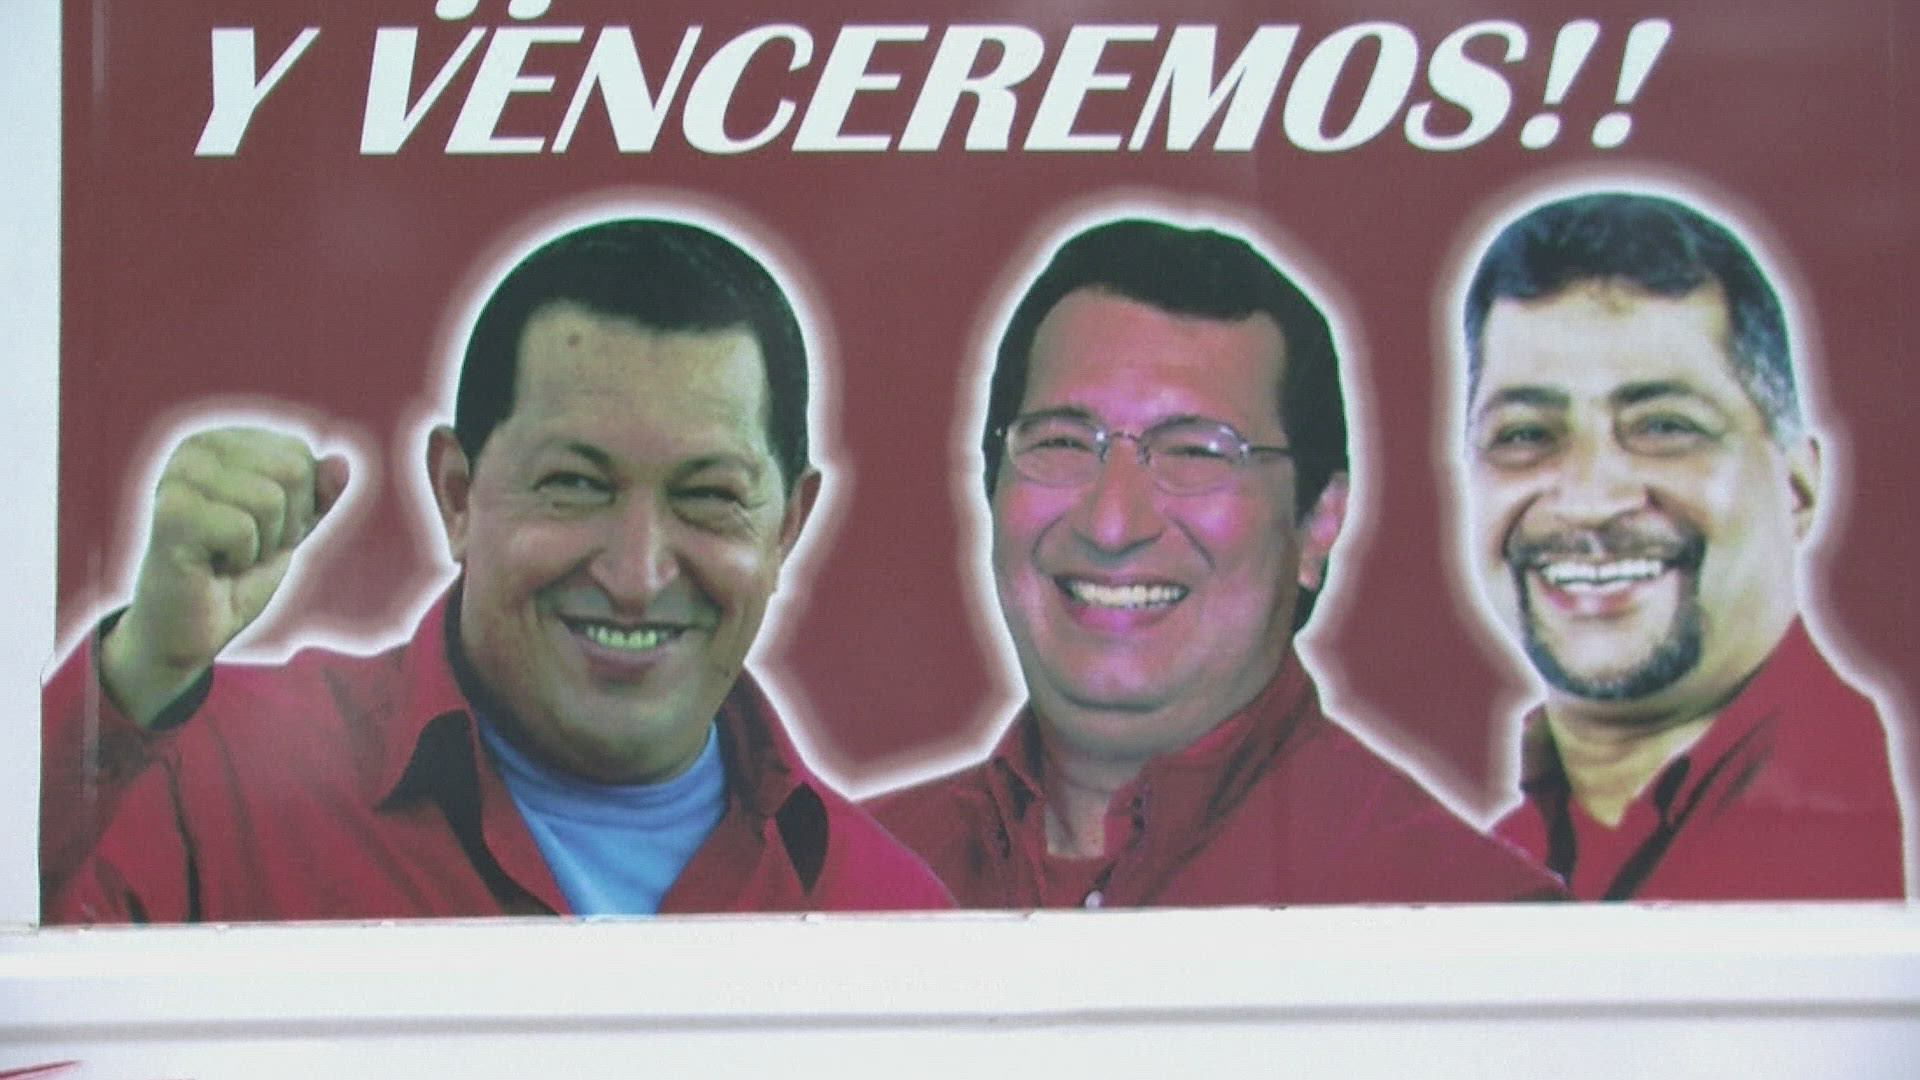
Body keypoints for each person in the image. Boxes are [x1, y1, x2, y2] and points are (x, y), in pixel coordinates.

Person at [42, 217, 951, 922]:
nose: (636, 574)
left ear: (787, 527)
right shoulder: (207, 776)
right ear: (457, 494)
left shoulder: (890, 914)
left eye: (708, 495)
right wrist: (144, 666)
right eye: (573, 485)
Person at [870, 217, 1562, 907]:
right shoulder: (852, 892)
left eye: (1197, 452)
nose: (1112, 524)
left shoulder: (1471, 916)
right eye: (1062, 443)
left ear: (1318, 523)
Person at [1457, 191, 1908, 900]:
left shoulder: (1886, 823)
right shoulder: (1494, 878)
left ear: (1797, 486)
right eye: (1526, 435)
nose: (1590, 499)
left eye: (1664, 427)